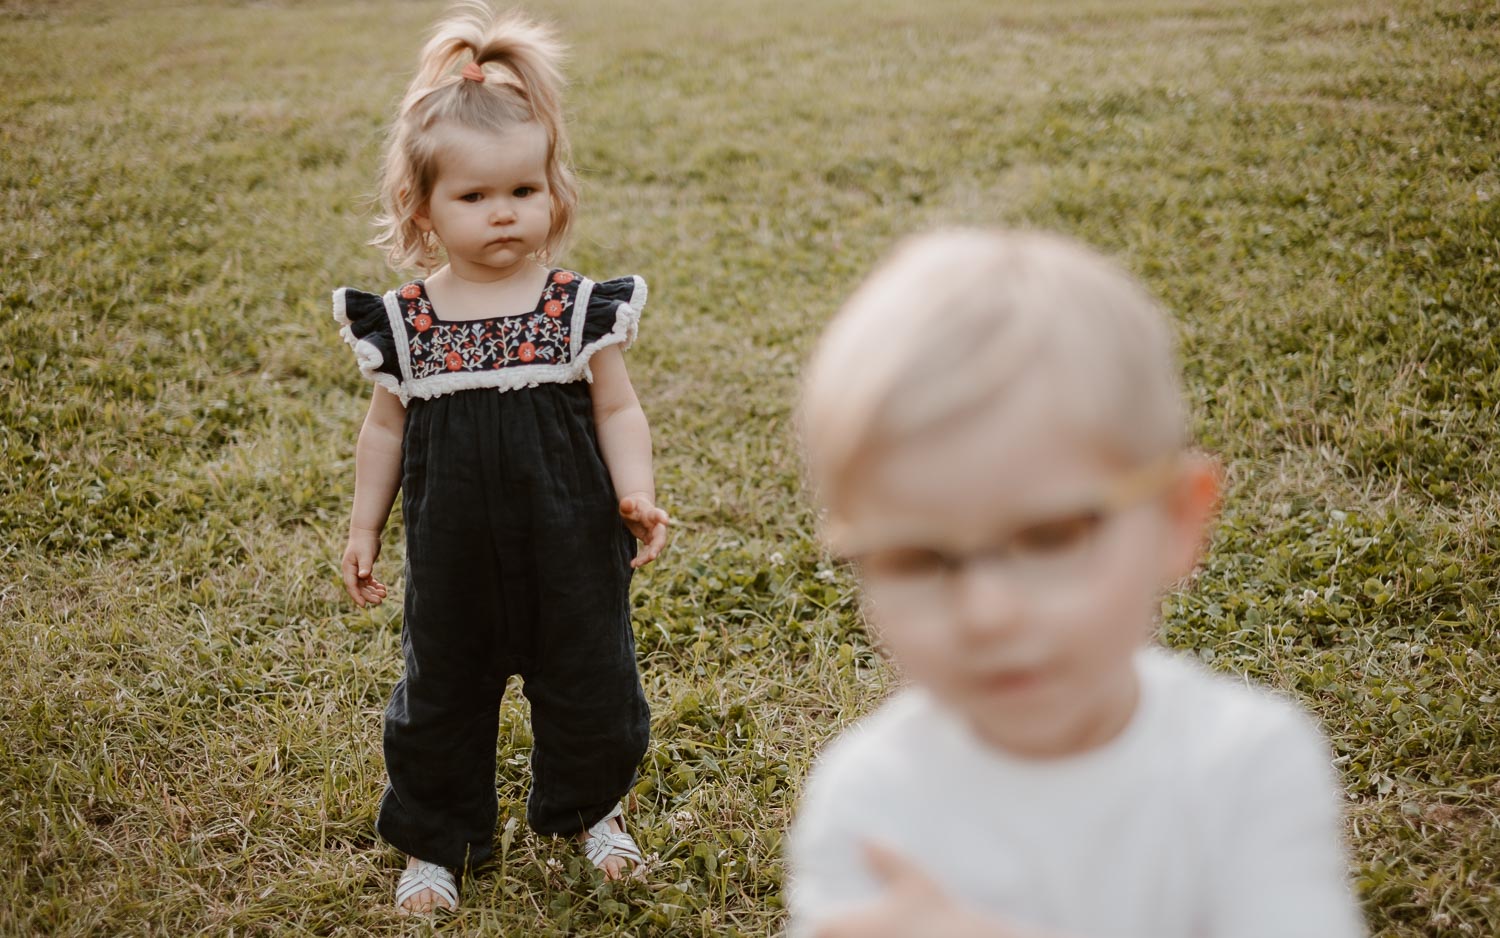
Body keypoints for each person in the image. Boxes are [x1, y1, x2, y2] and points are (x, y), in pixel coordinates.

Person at [788, 230, 1365, 938]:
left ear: (1176, 520)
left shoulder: (1247, 767)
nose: (986, 614)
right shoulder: (867, 799)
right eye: (915, 558)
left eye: (1049, 537)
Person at [330, 1, 669, 915]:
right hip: (451, 561)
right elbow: (386, 432)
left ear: (552, 188)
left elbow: (619, 405)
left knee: (593, 684)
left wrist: (634, 492)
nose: (504, 214)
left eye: (523, 190)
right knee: (439, 697)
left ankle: (596, 811)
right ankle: (437, 845)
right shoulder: (407, 323)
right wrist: (365, 526)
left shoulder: (575, 308)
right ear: (423, 207)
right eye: (474, 198)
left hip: (570, 547)